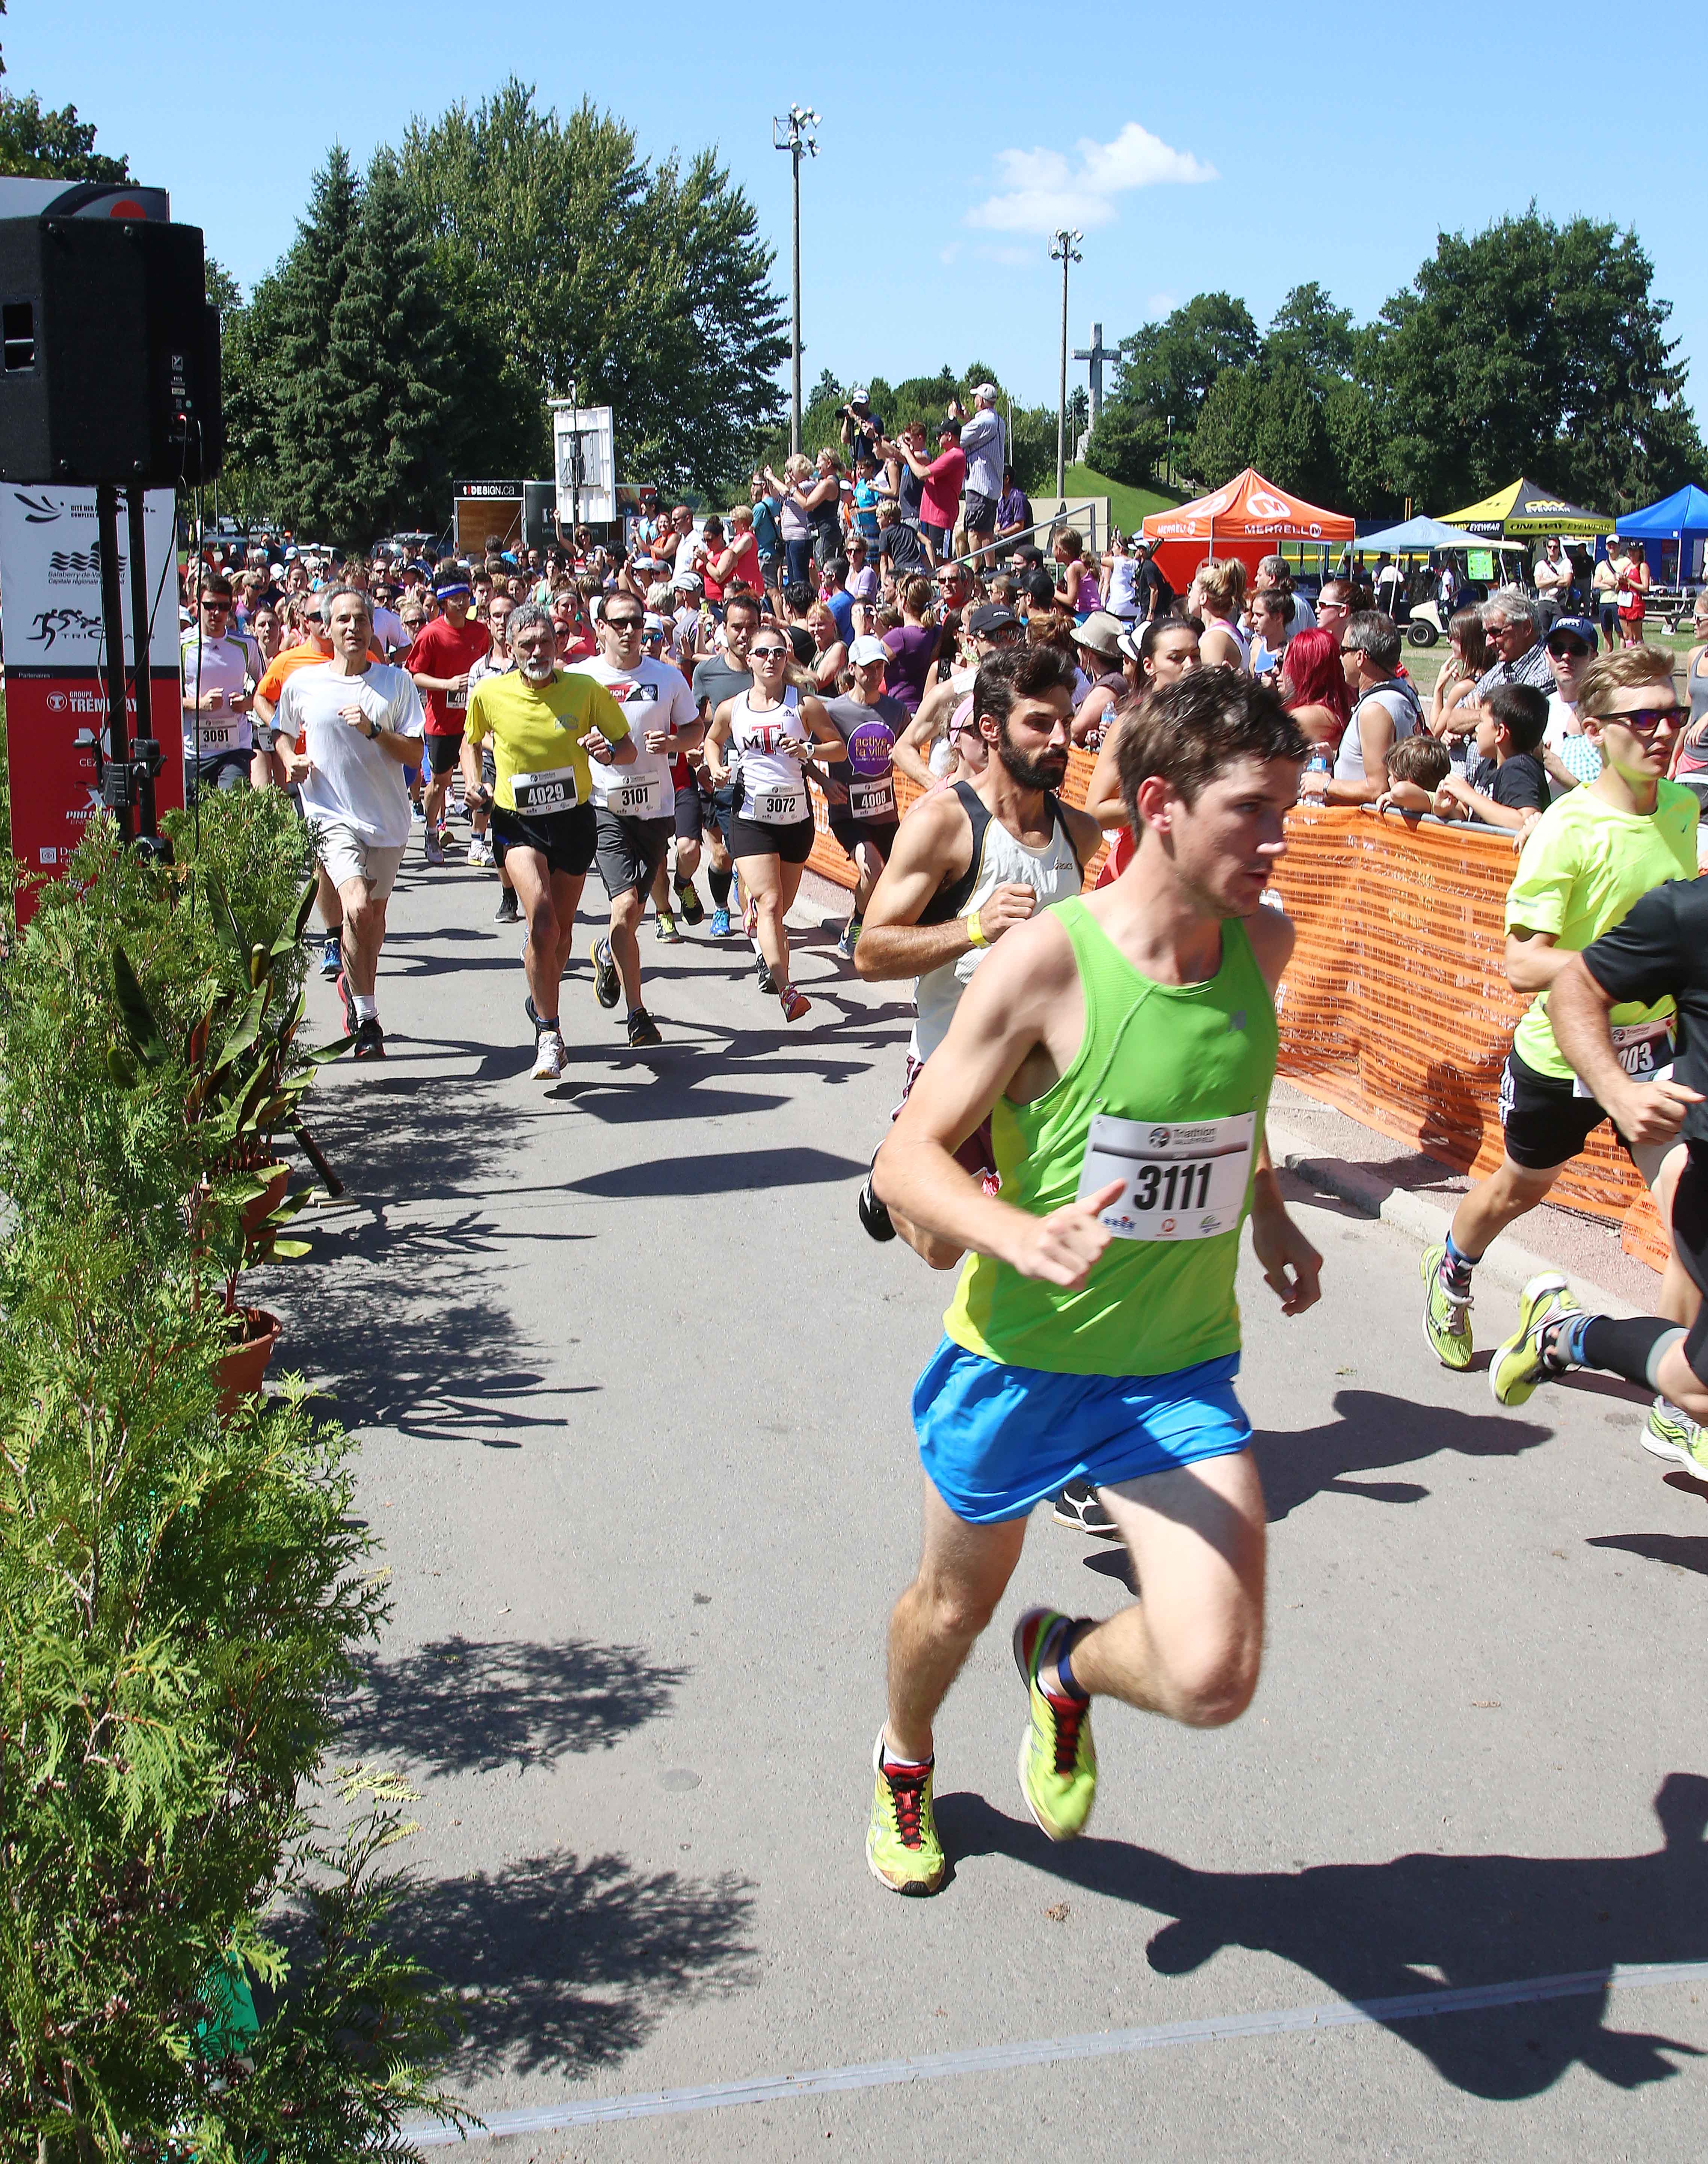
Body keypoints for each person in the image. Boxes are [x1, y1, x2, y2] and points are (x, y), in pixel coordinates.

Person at [861, 667, 1321, 1894]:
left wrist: (1271, 1215)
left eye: (1286, 810)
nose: (1277, 842)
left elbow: (1220, 1101)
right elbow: (905, 1160)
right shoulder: (1045, 964)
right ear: (1160, 805)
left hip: (1175, 1371)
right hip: (1018, 1363)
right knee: (948, 1613)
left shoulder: (1259, 945)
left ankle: (1063, 1666)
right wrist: (1012, 1235)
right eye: (1251, 811)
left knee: (1212, 1676)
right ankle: (904, 1757)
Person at [1421, 644, 1699, 1368]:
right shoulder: (1564, 829)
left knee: (1690, 1214)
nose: (1663, 731)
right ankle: (1451, 1268)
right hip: (1563, 1053)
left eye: (1672, 714)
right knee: (1520, 1188)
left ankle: (1676, 1392)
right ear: (1595, 731)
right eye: (1643, 719)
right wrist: (1616, 972)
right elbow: (1521, 964)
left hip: (1652, 1053)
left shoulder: (1681, 808)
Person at [854, 641, 1099, 1260]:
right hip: (952, 1064)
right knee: (942, 1250)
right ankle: (891, 1172)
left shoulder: (1079, 833)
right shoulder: (943, 823)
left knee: (1030, 1231)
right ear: (990, 729)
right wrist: (973, 929)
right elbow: (869, 954)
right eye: (1039, 723)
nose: (1060, 739)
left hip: (1040, 1080)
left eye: (1065, 721)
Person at [1486, 881, 1708, 1469]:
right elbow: (1568, 985)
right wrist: (1617, 1092)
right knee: (1697, 1386)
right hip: (1565, 1079)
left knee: (1693, 1384)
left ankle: (1650, 1395)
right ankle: (1567, 1334)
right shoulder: (1689, 912)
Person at [460, 603, 637, 1082]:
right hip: (517, 822)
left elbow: (627, 749)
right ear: (511, 648)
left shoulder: (585, 690)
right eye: (526, 645)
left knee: (559, 933)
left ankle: (541, 990)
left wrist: (607, 752)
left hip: (572, 820)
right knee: (540, 919)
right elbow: (470, 741)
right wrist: (474, 781)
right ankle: (549, 1034)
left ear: (558, 644)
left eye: (545, 642)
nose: (537, 652)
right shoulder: (490, 692)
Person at [276, 586, 426, 1062]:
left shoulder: (395, 682)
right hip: (329, 813)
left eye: (360, 619)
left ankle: (354, 985)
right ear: (327, 628)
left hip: (386, 819)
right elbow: (281, 733)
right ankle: (367, 1018)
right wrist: (290, 760)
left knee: (373, 922)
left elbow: (415, 753)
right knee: (357, 909)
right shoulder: (304, 683)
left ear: (371, 626)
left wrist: (374, 731)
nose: (353, 628)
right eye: (342, 620)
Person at [569, 595, 700, 1046]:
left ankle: (607, 952)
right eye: (619, 623)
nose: (629, 631)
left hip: (655, 808)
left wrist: (675, 743)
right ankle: (637, 1015)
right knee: (625, 905)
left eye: (636, 623)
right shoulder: (582, 678)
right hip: (603, 805)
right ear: (600, 627)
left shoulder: (667, 677)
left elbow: (695, 730)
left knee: (632, 913)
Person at [703, 627, 847, 1021]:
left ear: (787, 659)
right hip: (751, 818)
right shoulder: (733, 708)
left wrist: (809, 749)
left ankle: (757, 913)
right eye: (763, 653)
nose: (771, 659)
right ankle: (786, 990)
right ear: (749, 659)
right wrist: (715, 767)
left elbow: (839, 748)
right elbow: (712, 740)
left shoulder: (804, 705)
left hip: (795, 820)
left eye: (779, 653)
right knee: (769, 903)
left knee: (779, 908)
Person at [823, 634, 908, 960]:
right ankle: (860, 925)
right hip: (848, 812)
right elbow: (803, 753)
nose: (874, 675)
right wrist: (823, 782)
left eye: (879, 668)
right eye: (867, 668)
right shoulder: (833, 711)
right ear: (852, 669)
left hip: (885, 813)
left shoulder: (896, 710)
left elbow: (909, 747)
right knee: (872, 869)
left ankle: (865, 924)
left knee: (890, 877)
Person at [406, 561, 491, 866]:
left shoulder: (480, 632)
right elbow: (414, 675)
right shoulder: (430, 635)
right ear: (443, 602)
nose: (463, 603)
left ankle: (477, 842)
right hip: (441, 724)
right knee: (440, 784)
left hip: (472, 721)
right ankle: (431, 832)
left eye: (466, 597)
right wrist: (448, 684)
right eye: (456, 599)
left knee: (476, 783)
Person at [688, 589, 762, 938]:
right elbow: (693, 723)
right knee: (720, 855)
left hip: (757, 780)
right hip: (716, 778)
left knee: (746, 857)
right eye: (737, 627)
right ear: (725, 629)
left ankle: (755, 921)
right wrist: (697, 758)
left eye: (751, 627)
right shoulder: (706, 672)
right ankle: (721, 908)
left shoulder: (771, 669)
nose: (744, 635)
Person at [1314, 613, 1422, 805]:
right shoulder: (1404, 692)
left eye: (1344, 650)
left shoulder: (1375, 709)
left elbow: (1377, 789)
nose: (1340, 657)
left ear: (1360, 657)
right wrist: (1338, 758)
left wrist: (1325, 785)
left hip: (1365, 822)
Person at [179, 576, 262, 798]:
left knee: (232, 807)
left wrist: (248, 703)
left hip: (235, 748)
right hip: (195, 751)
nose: (216, 613)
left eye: (223, 607)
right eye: (210, 606)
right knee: (196, 816)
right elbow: (165, 699)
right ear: (197, 605)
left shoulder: (246, 645)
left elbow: (267, 690)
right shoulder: (183, 645)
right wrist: (199, 704)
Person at [1430, 682, 1550, 830]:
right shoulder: (1489, 765)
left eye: (1481, 722)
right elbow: (1468, 814)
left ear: (1500, 733)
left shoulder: (1518, 769)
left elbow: (1526, 822)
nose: (1477, 728)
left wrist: (1468, 794)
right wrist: (1446, 808)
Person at [465, 592, 515, 871]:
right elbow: (473, 725)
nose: (503, 621)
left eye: (509, 615)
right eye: (497, 616)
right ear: (488, 621)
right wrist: (494, 743)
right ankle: (476, 841)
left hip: (521, 755)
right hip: (490, 751)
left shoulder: (526, 665)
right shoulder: (479, 670)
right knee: (485, 799)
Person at [1275, 625, 1350, 751]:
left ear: (1304, 671)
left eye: (1286, 664)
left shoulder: (1301, 718)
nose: (1280, 671)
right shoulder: (1335, 711)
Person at [1671, 590, 1708, 809]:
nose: (1693, 622)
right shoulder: (1695, 656)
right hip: (1689, 759)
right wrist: (1675, 759)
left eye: (1699, 617)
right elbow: (1688, 712)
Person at [960, 384, 1005, 561]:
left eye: (976, 397)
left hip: (978, 484)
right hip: (993, 487)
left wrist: (953, 418)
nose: (974, 400)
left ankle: (976, 569)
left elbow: (959, 438)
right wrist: (968, 420)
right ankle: (990, 567)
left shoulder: (982, 422)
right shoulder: (999, 422)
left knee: (973, 531)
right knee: (987, 532)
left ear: (981, 401)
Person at [1189, 559, 1249, 670]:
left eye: (1191, 588)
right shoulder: (1226, 631)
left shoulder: (1213, 639)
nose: (1189, 595)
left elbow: (1212, 682)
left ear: (1203, 598)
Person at [1616, 540, 1650, 647]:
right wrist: (1620, 582)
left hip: (1635, 603)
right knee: (1627, 636)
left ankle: (1641, 654)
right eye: (1630, 551)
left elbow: (1645, 588)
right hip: (1624, 602)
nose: (1632, 554)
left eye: (1635, 551)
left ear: (1640, 552)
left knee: (1637, 636)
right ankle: (1629, 654)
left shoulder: (1642, 566)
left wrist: (1629, 581)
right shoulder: (1627, 567)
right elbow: (1617, 588)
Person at [996, 468, 1032, 549]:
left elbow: (1019, 527)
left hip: (1017, 544)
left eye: (998, 477)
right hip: (1004, 540)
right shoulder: (1002, 500)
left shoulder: (1018, 498)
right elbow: (998, 525)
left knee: (987, 544)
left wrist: (1000, 534)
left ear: (1007, 479)